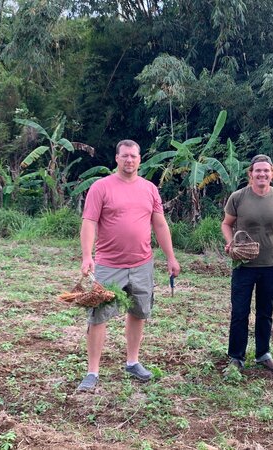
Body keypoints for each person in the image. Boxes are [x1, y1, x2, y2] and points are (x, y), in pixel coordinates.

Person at [76, 139, 181, 392]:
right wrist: (87, 255)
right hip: (109, 264)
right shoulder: (101, 187)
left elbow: (160, 224)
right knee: (98, 315)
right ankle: (92, 371)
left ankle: (133, 361)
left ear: (139, 159)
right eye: (124, 156)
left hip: (142, 263)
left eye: (133, 156)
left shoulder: (149, 189)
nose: (129, 160)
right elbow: (89, 222)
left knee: (138, 312)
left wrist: (171, 256)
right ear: (117, 158)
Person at [221, 154, 273, 374]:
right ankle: (236, 357)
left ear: (272, 173)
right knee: (240, 312)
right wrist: (230, 243)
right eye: (258, 171)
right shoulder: (238, 197)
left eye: (266, 171)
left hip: (271, 265)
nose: (262, 174)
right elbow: (226, 224)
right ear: (251, 174)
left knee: (265, 312)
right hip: (244, 265)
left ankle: (263, 354)